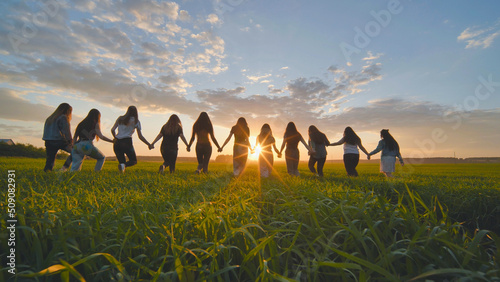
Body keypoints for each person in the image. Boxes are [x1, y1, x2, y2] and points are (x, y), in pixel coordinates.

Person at [111, 106, 152, 173]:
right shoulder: (136, 121)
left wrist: (115, 137)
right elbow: (140, 136)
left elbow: (112, 130)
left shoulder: (120, 118)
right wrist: (148, 144)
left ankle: (122, 172)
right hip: (127, 142)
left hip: (117, 142)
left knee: (122, 162)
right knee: (133, 161)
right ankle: (123, 166)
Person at [42, 103, 73, 172]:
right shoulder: (63, 117)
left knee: (50, 160)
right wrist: (70, 142)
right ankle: (64, 169)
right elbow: (66, 131)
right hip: (59, 141)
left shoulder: (49, 118)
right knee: (75, 152)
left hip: (48, 141)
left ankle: (47, 172)